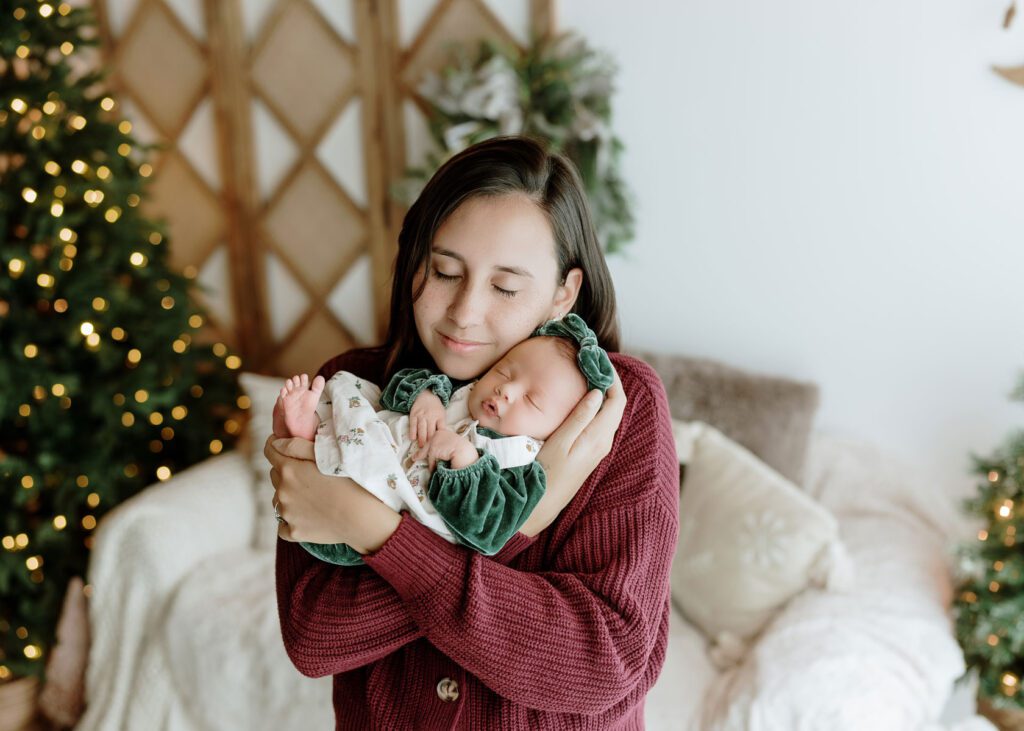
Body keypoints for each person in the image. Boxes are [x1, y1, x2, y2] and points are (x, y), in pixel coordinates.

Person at [264, 135, 679, 729]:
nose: (464, 312)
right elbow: (315, 637)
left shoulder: (617, 406)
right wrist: (524, 519)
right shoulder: (350, 392)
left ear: (565, 292)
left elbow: (604, 660)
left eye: (506, 287)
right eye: (445, 271)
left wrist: (374, 529)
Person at [273, 315, 615, 565]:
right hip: (377, 439)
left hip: (394, 505)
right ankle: (309, 430)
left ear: (557, 430)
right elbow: (397, 393)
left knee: (353, 473)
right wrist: (425, 397)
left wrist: (466, 462)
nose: (506, 390)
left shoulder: (520, 458)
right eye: (504, 371)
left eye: (533, 401)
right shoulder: (462, 394)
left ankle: (308, 442)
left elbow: (489, 530)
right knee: (355, 397)